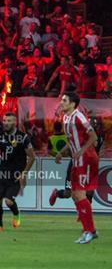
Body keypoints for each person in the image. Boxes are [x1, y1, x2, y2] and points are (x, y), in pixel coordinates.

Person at [53, 93, 99, 244]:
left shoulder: (79, 116)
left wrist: (82, 151)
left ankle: (90, 231)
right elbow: (72, 140)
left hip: (86, 159)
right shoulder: (66, 118)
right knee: (74, 194)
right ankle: (89, 230)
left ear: (73, 104)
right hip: (77, 160)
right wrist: (61, 152)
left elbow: (93, 137)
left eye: (64, 100)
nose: (61, 102)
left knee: (80, 194)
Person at [0, 112, 34, 233]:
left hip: (16, 175)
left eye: (9, 121)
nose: (5, 123)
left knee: (8, 201)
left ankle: (16, 214)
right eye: (4, 120)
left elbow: (32, 157)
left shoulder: (23, 137)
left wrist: (24, 173)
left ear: (15, 122)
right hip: (2, 173)